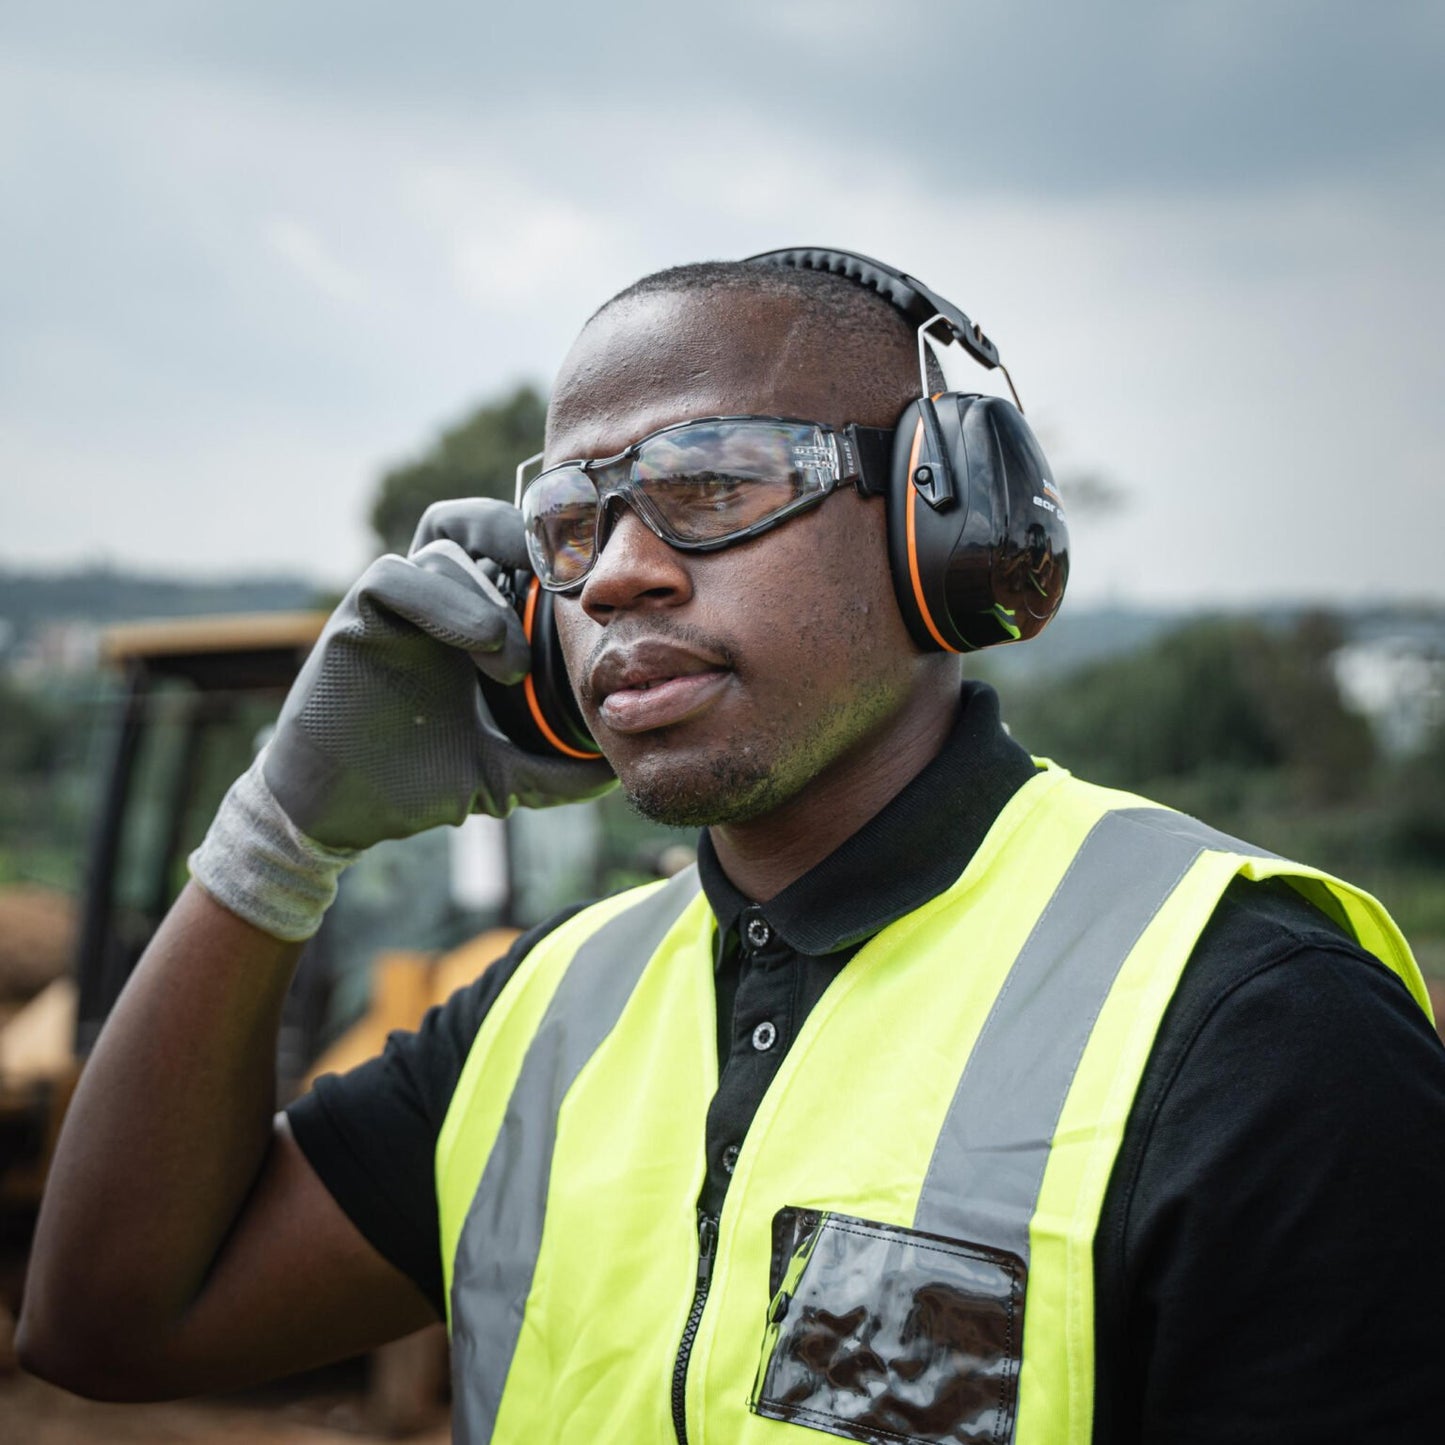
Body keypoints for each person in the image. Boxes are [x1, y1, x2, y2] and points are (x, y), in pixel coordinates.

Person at [18, 251, 1445, 1444]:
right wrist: (282, 832)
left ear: (936, 527)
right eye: (569, 524)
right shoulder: (543, 1015)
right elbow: (107, 1321)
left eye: (712, 483)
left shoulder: (1252, 1023)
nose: (619, 570)